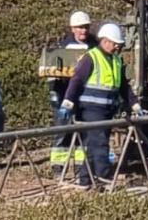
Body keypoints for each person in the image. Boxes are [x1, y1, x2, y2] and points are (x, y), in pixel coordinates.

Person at [58, 22, 145, 187]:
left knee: (92, 145)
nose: (117, 47)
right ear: (105, 41)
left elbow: (123, 87)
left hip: (106, 110)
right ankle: (103, 178)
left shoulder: (116, 61)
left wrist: (135, 105)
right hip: (90, 110)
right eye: (115, 44)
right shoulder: (91, 57)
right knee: (99, 145)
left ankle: (85, 179)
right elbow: (76, 81)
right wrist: (68, 104)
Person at [47, 11, 95, 176]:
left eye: (86, 27)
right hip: (64, 97)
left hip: (86, 98)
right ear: (72, 28)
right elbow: (52, 74)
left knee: (84, 134)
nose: (84, 31)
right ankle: (58, 167)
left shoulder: (94, 47)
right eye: (80, 27)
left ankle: (81, 168)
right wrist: (55, 95)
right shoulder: (62, 49)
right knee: (62, 133)